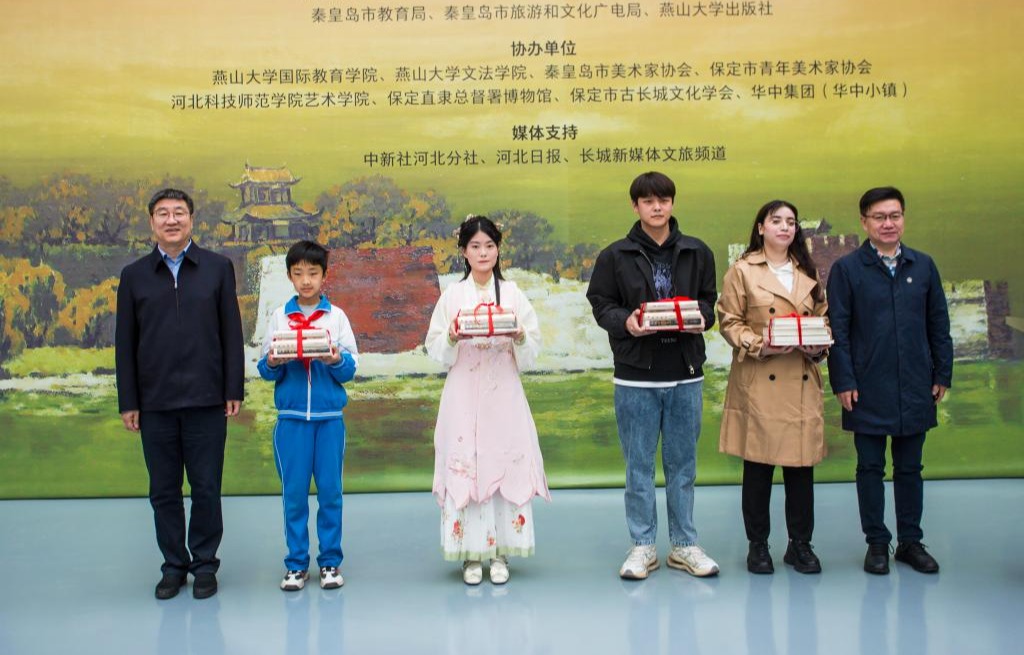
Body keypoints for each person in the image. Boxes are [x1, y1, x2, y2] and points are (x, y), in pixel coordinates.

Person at [586, 171, 720, 580]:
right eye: (648, 201)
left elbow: (709, 302)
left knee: (683, 467)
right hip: (635, 377)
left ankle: (684, 545)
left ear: (672, 203)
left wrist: (701, 318)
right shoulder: (615, 255)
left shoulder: (697, 251)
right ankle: (642, 545)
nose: (657, 207)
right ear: (636, 206)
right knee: (638, 468)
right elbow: (601, 303)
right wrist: (626, 322)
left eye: (663, 199)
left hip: (685, 372)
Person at [115, 188, 244, 600]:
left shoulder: (217, 268)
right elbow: (125, 343)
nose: (171, 220)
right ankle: (173, 566)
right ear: (151, 222)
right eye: (163, 213)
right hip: (155, 403)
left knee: (206, 488)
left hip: (207, 400)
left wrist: (232, 388)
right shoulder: (134, 276)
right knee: (163, 491)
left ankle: (204, 565)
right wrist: (129, 400)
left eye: (179, 213)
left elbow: (231, 332)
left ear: (191, 219)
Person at [827, 186, 953, 575]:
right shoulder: (847, 270)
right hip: (866, 386)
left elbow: (939, 324)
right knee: (869, 467)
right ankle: (877, 543)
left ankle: (910, 542)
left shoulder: (923, 265)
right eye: (879, 217)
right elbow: (838, 331)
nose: (888, 223)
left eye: (895, 215)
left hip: (915, 383)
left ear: (903, 219)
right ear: (864, 222)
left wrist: (942, 373)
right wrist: (843, 380)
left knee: (910, 468)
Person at [425, 215, 550, 586]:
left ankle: (500, 552)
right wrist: (451, 335)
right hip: (463, 391)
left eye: (490, 246)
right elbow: (435, 348)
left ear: (498, 250)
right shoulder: (452, 296)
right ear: (464, 252)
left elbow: (532, 350)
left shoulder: (512, 294)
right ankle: (469, 553)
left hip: (503, 392)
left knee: (502, 462)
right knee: (466, 465)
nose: (483, 253)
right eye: (475, 246)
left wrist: (520, 336)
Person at [717, 200, 828, 575]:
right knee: (758, 468)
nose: (785, 227)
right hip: (760, 377)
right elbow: (729, 321)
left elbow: (823, 318)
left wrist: (817, 345)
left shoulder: (808, 270)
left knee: (801, 470)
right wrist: (759, 344)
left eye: (791, 222)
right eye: (776, 220)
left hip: (800, 376)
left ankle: (800, 544)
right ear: (761, 227)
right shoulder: (742, 271)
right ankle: (758, 545)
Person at [256, 241, 358, 591]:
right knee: (294, 495)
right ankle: (296, 564)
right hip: (291, 420)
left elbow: (350, 368)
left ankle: (330, 562)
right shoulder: (279, 317)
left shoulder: (337, 317)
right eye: (298, 273)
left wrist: (335, 359)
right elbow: (265, 367)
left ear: (324, 275)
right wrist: (274, 361)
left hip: (330, 420)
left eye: (313, 273)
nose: (306, 280)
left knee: (330, 492)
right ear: (289, 276)